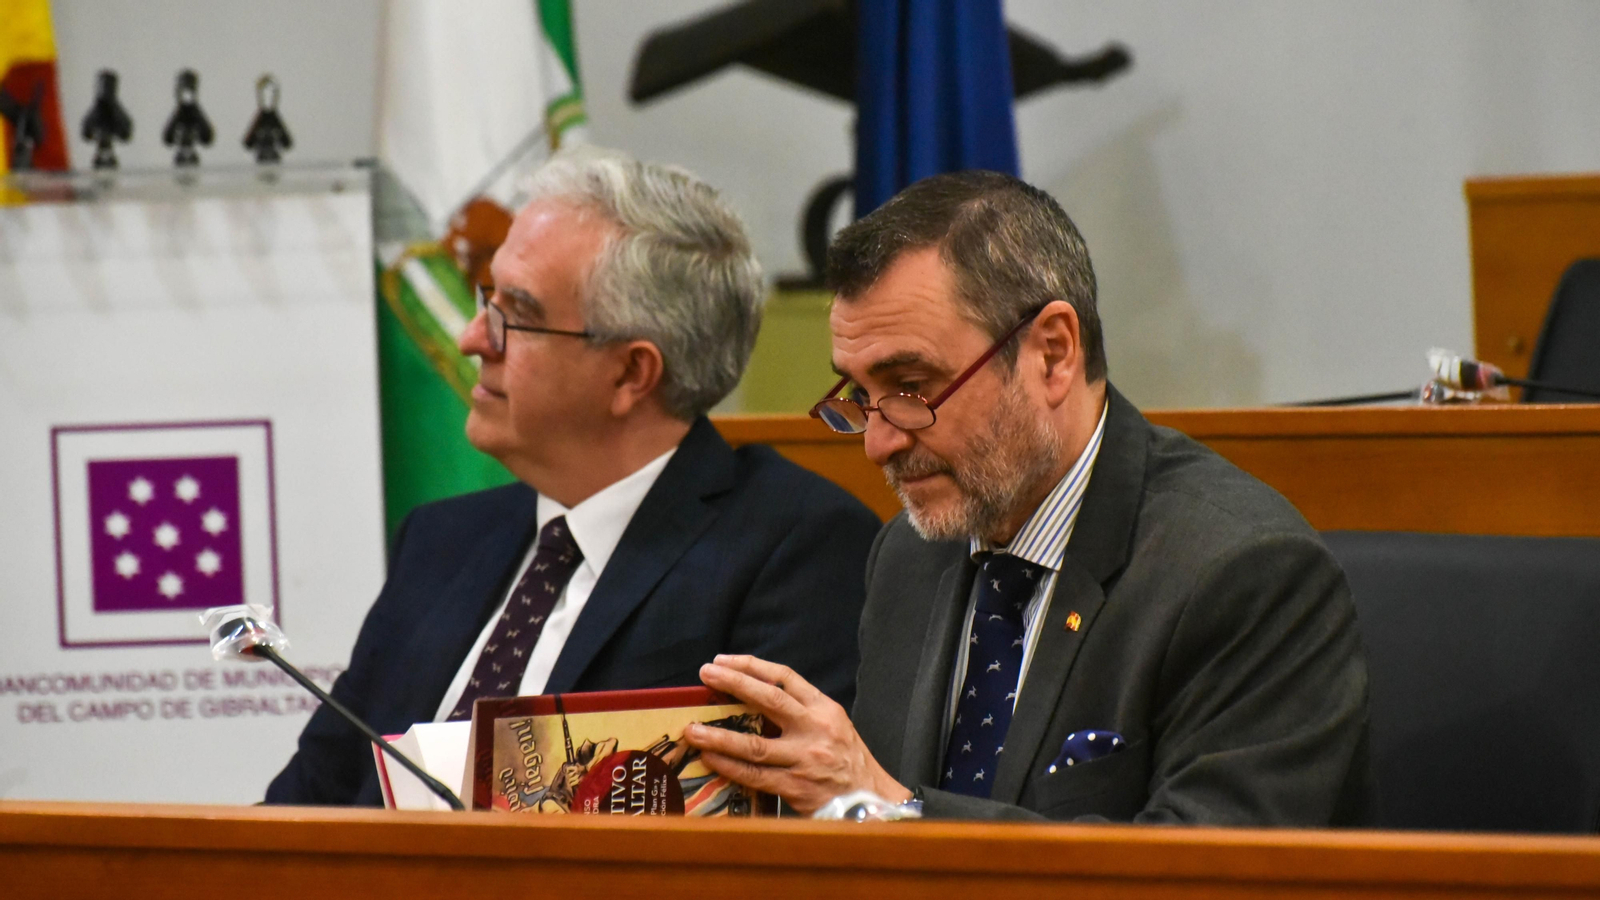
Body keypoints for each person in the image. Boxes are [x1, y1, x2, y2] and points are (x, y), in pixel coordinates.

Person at [684, 170, 1374, 824]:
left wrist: (895, 812)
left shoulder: (1243, 572)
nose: (879, 444)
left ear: (1051, 353)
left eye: (913, 387)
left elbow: (1210, 879)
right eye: (862, 398)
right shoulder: (908, 554)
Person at [266, 148, 881, 806]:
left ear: (630, 374)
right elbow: (307, 803)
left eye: (514, 314)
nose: (473, 338)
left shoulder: (793, 547)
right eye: (486, 298)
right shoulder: (440, 540)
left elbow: (769, 832)